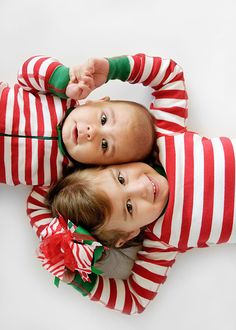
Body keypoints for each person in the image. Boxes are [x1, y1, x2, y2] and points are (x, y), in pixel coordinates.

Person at [27, 52, 236, 314]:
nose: (142, 189)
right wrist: (79, 280)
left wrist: (113, 69)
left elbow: (169, 75)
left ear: (118, 162)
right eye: (129, 208)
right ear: (128, 234)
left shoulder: (163, 139)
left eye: (122, 178)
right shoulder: (162, 242)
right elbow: (135, 300)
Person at [0, 55, 154, 186]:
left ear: (98, 165)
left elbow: (38, 208)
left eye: (104, 144)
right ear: (97, 102)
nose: (92, 132)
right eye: (103, 119)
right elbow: (27, 71)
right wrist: (64, 81)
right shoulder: (60, 98)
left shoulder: (62, 178)